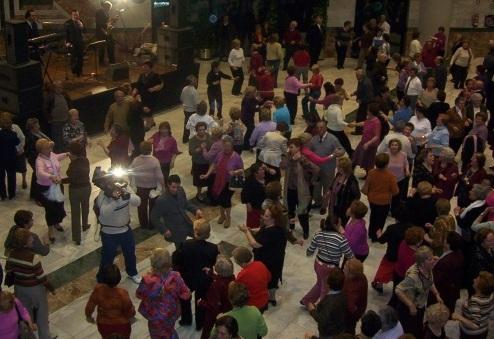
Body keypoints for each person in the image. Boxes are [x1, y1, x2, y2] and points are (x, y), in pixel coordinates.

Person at [5, 228, 54, 339]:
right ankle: (45, 336)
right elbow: (41, 277)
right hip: (34, 288)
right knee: (42, 312)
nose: (32, 238)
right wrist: (51, 288)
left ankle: (30, 332)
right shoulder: (33, 257)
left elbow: (8, 270)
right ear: (26, 242)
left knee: (25, 310)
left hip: (19, 287)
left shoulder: (11, 254)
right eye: (30, 237)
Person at [94, 172, 141, 284]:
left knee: (130, 253)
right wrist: (117, 201)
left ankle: (132, 273)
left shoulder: (124, 186)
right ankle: (102, 279)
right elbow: (103, 213)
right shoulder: (103, 195)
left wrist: (127, 196)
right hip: (109, 233)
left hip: (125, 230)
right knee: (107, 257)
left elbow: (138, 201)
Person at [174, 220, 219, 330]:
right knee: (201, 301)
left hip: (187, 277)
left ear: (195, 232)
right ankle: (200, 323)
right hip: (204, 279)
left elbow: (176, 260)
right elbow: (213, 263)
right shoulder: (213, 248)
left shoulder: (185, 245)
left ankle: (186, 320)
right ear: (208, 234)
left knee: (184, 300)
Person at [239, 204, 287, 306]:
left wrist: (246, 231)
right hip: (277, 258)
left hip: (268, 260)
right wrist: (252, 230)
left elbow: (255, 244)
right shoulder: (278, 226)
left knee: (267, 279)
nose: (263, 217)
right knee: (274, 279)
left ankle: (267, 297)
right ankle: (272, 298)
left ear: (273, 219)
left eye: (266, 216)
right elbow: (261, 230)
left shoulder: (272, 232)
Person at [136, 248, 191, 339]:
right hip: (171, 313)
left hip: (154, 316)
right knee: (169, 329)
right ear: (169, 262)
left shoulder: (147, 279)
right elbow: (186, 295)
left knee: (156, 334)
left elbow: (139, 294)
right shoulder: (175, 276)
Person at [302, 217, 353, 306]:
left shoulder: (318, 234)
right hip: (330, 269)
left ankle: (306, 301)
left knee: (320, 283)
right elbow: (350, 255)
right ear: (337, 225)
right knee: (326, 290)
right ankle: (322, 309)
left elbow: (309, 252)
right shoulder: (341, 239)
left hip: (318, 265)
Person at [395, 246, 443, 337]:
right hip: (408, 309)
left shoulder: (428, 268)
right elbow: (398, 290)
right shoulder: (413, 276)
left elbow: (429, 281)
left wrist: (436, 294)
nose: (433, 260)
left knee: (417, 330)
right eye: (430, 259)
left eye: (432, 257)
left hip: (419, 306)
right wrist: (410, 305)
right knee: (408, 333)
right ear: (422, 263)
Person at [201, 137, 244, 229]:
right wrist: (207, 175)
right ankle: (222, 215)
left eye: (228, 146)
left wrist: (235, 172)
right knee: (220, 198)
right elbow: (213, 164)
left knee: (226, 200)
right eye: (224, 146)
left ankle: (228, 218)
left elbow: (241, 170)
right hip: (219, 180)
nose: (226, 148)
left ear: (232, 146)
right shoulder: (220, 154)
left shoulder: (236, 157)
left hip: (229, 182)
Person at [150, 174, 203, 248]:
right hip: (175, 230)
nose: (176, 190)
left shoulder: (180, 190)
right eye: (173, 187)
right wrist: (164, 230)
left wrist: (196, 210)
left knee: (199, 239)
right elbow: (154, 217)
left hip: (187, 223)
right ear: (168, 185)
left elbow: (185, 203)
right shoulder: (161, 200)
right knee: (180, 250)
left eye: (177, 187)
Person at [281, 138, 319, 239]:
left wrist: (301, 160)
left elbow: (315, 169)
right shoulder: (287, 157)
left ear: (298, 148)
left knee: (302, 212)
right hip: (289, 189)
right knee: (290, 210)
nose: (289, 149)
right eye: (289, 147)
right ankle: (291, 226)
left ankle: (305, 230)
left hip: (300, 191)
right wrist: (292, 160)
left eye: (292, 147)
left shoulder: (303, 158)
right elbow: (282, 166)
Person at [85, 264, 135, 339]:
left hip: (104, 325)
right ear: (119, 278)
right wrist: (131, 313)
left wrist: (88, 316)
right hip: (122, 326)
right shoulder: (123, 293)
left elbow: (90, 306)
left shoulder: (98, 290)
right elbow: (130, 311)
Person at [35, 138, 68, 241]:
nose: (50, 149)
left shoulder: (52, 154)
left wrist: (66, 154)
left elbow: (57, 157)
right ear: (41, 150)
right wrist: (50, 176)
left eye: (50, 147)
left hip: (58, 185)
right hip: (47, 187)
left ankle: (56, 222)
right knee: (50, 209)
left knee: (59, 205)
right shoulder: (39, 161)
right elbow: (40, 172)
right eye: (47, 148)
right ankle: (50, 230)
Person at [362, 153, 399, 241]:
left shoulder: (371, 172)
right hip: (384, 201)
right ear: (387, 164)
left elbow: (367, 186)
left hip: (372, 199)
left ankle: (371, 233)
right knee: (381, 219)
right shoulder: (391, 176)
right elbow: (395, 191)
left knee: (373, 216)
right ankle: (376, 236)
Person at [310, 120, 344, 211]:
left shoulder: (333, 139)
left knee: (327, 189)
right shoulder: (314, 139)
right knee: (316, 190)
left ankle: (324, 206)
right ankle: (318, 202)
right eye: (318, 128)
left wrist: (337, 153)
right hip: (317, 170)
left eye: (322, 127)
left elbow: (342, 150)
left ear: (326, 128)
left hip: (328, 169)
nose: (319, 129)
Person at [129, 141, 164, 229]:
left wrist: (131, 183)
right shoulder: (154, 161)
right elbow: (159, 176)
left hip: (140, 188)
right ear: (151, 149)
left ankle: (143, 225)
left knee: (141, 207)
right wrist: (163, 186)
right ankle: (152, 225)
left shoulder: (136, 160)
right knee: (153, 207)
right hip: (152, 187)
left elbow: (130, 172)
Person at [199, 256, 235, 339]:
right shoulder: (232, 278)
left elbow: (212, 305)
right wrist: (211, 274)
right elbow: (222, 278)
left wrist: (201, 302)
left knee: (208, 330)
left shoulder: (216, 286)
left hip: (216, 314)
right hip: (228, 308)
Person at [307, 267, 346, 338]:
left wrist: (312, 310)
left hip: (328, 333)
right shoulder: (342, 295)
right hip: (339, 329)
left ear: (328, 284)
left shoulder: (330, 302)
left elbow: (322, 319)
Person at [64, 141, 91, 245]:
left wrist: (60, 181)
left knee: (75, 213)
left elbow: (71, 178)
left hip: (75, 190)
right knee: (85, 207)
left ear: (72, 153)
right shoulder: (85, 160)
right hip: (86, 188)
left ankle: (77, 237)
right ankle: (85, 225)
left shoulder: (73, 164)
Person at [453, 271, 494, 339]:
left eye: (476, 280)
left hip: (471, 334)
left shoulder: (475, 301)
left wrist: (458, 317)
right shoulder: (491, 296)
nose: (473, 280)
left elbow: (475, 325)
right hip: (484, 329)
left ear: (480, 287)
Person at [433, 232, 465, 313]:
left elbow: (437, 280)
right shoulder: (459, 253)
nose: (442, 240)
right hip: (453, 290)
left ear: (448, 244)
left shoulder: (445, 262)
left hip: (444, 293)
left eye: (444, 240)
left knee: (441, 313)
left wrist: (433, 267)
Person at [232, 247, 271, 312]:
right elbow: (269, 278)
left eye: (236, 261)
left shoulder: (242, 275)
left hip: (253, 305)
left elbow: (238, 292)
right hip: (265, 299)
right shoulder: (260, 264)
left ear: (243, 263)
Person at [25, 118, 50, 201]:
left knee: (36, 175)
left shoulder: (38, 133)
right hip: (35, 159)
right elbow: (31, 151)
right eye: (37, 125)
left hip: (39, 157)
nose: (39, 126)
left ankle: (33, 194)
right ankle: (38, 197)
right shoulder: (31, 137)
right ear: (33, 127)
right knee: (38, 176)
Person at [353, 103, 383, 173]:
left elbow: (377, 136)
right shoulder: (369, 118)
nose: (366, 111)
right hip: (364, 141)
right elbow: (365, 123)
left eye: (368, 110)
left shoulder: (376, 122)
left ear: (371, 112)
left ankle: (369, 176)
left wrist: (368, 144)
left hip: (371, 145)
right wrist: (355, 124)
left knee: (369, 162)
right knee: (357, 157)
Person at [342, 258, 368, 334]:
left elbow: (351, 306)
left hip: (350, 315)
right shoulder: (362, 276)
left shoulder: (352, 288)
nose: (343, 269)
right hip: (359, 310)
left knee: (348, 330)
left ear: (351, 272)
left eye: (345, 268)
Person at [386, 139, 410, 214]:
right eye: (392, 145)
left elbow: (406, 163)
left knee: (397, 196)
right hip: (388, 180)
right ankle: (386, 209)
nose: (394, 146)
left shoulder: (403, 154)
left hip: (400, 179)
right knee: (387, 196)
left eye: (396, 145)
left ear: (399, 146)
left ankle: (394, 210)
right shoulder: (386, 155)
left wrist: (407, 170)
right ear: (389, 146)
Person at [0, 114, 20, 200]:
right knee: (11, 176)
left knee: (1, 177)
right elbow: (17, 142)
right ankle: (11, 194)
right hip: (11, 157)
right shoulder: (14, 134)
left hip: (1, 157)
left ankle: (3, 195)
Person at [241, 163, 266, 229]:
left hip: (265, 206)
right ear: (255, 173)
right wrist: (248, 203)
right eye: (261, 170)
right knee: (253, 224)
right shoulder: (249, 181)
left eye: (263, 169)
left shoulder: (266, 178)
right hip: (254, 207)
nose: (263, 171)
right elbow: (244, 193)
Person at [352, 69, 374, 134]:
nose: (356, 76)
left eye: (357, 75)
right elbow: (360, 89)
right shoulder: (361, 80)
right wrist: (355, 93)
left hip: (366, 103)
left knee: (360, 116)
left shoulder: (366, 83)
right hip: (363, 101)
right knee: (362, 116)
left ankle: (359, 131)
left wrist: (361, 100)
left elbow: (369, 95)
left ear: (361, 76)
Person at [180, 75, 200, 143]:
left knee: (187, 124)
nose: (196, 81)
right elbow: (196, 103)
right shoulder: (194, 91)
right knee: (194, 125)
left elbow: (181, 98)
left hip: (185, 110)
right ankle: (193, 139)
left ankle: (185, 139)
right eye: (195, 80)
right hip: (192, 111)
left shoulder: (184, 88)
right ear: (192, 82)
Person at [64, 10, 84, 77]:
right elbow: (65, 34)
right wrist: (67, 42)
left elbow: (83, 32)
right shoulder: (67, 23)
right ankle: (74, 71)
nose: (76, 16)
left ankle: (79, 71)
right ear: (71, 15)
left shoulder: (80, 22)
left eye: (77, 15)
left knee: (80, 58)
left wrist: (82, 25)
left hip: (80, 43)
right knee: (73, 58)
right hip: (72, 43)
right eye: (74, 15)